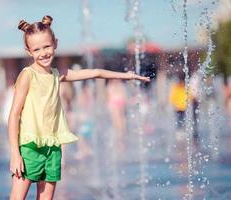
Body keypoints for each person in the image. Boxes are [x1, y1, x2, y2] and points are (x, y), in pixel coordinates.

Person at [8, 15, 150, 200]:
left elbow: (95, 72)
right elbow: (14, 115)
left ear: (55, 43)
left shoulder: (57, 74)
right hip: (29, 146)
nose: (43, 52)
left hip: (53, 145)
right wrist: (15, 154)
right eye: (36, 49)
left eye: (47, 46)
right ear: (28, 51)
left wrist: (128, 76)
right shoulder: (27, 75)